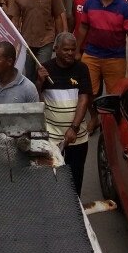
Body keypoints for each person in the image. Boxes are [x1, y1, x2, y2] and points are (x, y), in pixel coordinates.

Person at [75, 0, 128, 133]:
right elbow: (83, 28)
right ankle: (94, 118)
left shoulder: (125, 7)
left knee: (115, 94)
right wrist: (77, 50)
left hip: (115, 57)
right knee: (89, 92)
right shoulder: (89, 3)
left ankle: (109, 124)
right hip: (92, 54)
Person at [37, 32, 92, 197]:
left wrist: (74, 128)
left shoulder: (82, 68)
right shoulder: (44, 69)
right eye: (65, 49)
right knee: (51, 177)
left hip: (77, 136)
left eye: (72, 50)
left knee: (75, 178)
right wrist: (39, 82)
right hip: (52, 137)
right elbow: (38, 101)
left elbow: (84, 99)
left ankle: (75, 208)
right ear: (56, 49)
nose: (70, 53)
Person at [8, 0, 65, 80]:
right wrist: (16, 39)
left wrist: (59, 39)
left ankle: (43, 97)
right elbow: (15, 18)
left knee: (43, 74)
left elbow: (58, 17)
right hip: (26, 42)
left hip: (46, 40)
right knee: (29, 76)